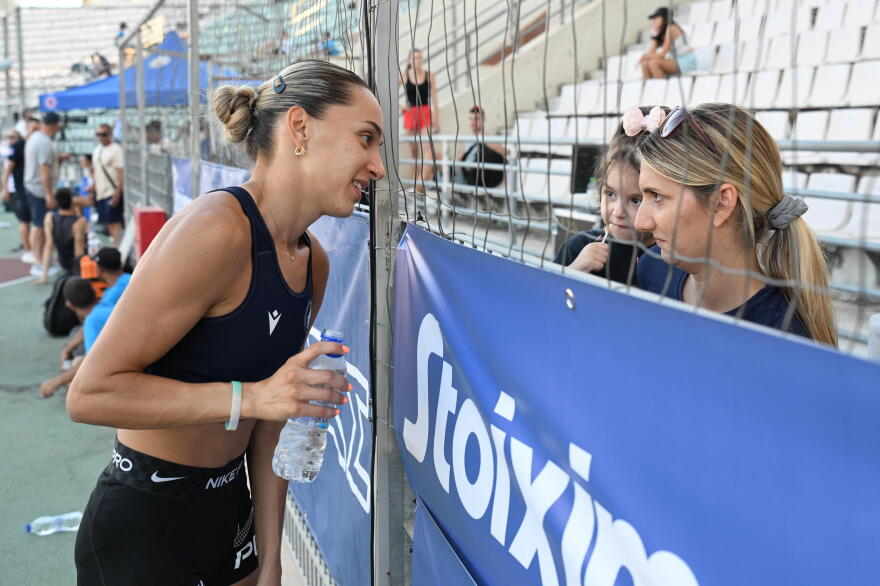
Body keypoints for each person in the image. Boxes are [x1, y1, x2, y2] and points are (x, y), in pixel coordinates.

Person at [68, 60, 385, 584]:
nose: (376, 165)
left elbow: (268, 428)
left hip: (231, 514)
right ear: (300, 128)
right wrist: (253, 397)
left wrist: (270, 557)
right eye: (366, 138)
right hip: (148, 517)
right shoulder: (217, 229)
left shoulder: (314, 261)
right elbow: (90, 395)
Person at [633, 103, 837, 345]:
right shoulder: (651, 268)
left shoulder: (783, 338)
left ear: (721, 203)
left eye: (657, 196)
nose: (640, 221)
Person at [554, 106, 663, 285]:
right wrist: (574, 270)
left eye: (636, 200)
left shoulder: (672, 262)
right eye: (610, 194)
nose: (618, 212)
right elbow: (545, 297)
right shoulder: (579, 247)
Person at [40, 277, 97, 398]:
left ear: (69, 304)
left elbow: (92, 360)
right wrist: (68, 348)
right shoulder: (103, 306)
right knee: (75, 334)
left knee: (74, 385)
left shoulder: (93, 320)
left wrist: (55, 382)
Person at [24, 111, 62, 274]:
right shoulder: (44, 142)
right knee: (40, 226)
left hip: (32, 186)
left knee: (38, 225)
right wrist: (49, 194)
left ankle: (39, 260)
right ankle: (40, 262)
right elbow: (44, 169)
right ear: (56, 125)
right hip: (39, 190)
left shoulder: (34, 137)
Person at [400, 49, 440, 186]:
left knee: (427, 148)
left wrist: (437, 120)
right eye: (415, 58)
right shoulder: (404, 75)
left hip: (426, 112)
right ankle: (414, 183)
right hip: (410, 114)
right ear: (410, 61)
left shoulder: (430, 76)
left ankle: (424, 182)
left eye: (420, 58)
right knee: (414, 153)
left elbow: (434, 99)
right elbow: (389, 91)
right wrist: (401, 107)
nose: (418, 60)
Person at [36, 187, 87, 284]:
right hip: (76, 264)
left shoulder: (50, 217)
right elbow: (79, 249)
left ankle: (44, 274)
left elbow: (49, 245)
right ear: (72, 200)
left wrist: (44, 275)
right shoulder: (80, 221)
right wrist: (78, 273)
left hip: (63, 262)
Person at [455, 106, 507, 189]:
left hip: (479, 176)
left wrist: (485, 141)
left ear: (483, 120)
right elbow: (459, 159)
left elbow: (505, 152)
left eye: (476, 119)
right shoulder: (468, 140)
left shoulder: (489, 137)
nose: (473, 122)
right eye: (470, 119)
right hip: (464, 173)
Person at [92, 123, 125, 246]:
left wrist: (117, 193)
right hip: (100, 193)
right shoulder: (97, 150)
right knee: (107, 223)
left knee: (114, 223)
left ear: (110, 135)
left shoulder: (116, 149)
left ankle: (118, 249)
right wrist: (93, 191)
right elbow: (95, 171)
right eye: (98, 134)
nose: (100, 137)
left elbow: (120, 173)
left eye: (103, 134)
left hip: (111, 192)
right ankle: (115, 246)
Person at [2, 129, 32, 260]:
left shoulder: (13, 151)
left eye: (12, 137)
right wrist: (5, 189)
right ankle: (27, 249)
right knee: (24, 221)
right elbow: (6, 171)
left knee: (25, 221)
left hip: (16, 190)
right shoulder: (10, 152)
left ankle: (27, 246)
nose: (10, 139)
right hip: (15, 191)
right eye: (8, 137)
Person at [639, 7, 694, 79]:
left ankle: (660, 88)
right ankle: (650, 89)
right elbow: (651, 52)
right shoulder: (661, 32)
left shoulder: (671, 28)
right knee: (645, 64)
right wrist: (654, 36)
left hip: (686, 60)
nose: (654, 21)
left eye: (656, 18)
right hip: (675, 61)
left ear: (664, 18)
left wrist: (646, 56)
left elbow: (662, 54)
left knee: (654, 63)